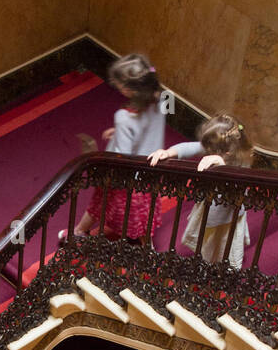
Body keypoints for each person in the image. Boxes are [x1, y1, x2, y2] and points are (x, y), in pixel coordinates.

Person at [68, 54, 170, 240]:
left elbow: (121, 156)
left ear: (129, 89)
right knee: (143, 211)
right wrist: (119, 131)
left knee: (102, 200)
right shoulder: (162, 100)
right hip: (152, 170)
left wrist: (101, 164)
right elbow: (145, 127)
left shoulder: (124, 117)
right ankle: (147, 244)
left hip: (126, 176)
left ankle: (79, 231)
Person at [149, 114, 253, 267]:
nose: (206, 152)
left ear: (227, 153)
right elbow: (190, 147)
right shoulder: (219, 145)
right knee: (206, 245)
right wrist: (168, 152)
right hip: (209, 208)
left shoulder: (242, 163)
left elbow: (236, 194)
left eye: (211, 151)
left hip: (227, 218)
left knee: (222, 250)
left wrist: (222, 166)